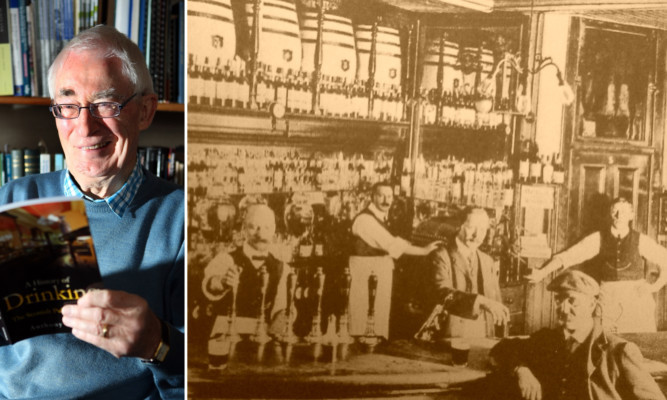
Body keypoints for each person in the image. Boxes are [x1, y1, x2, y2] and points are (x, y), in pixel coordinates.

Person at [0, 25, 184, 399]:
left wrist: (157, 344)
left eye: (106, 104)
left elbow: (216, 379)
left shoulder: (184, 222)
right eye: (68, 105)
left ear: (146, 111)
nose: (84, 126)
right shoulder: (12, 200)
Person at [488, 270, 665, 400]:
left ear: (591, 305)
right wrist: (522, 370)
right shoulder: (547, 339)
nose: (563, 309)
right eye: (559, 300)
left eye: (572, 301)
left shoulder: (619, 351)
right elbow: (503, 348)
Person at [526, 197, 667, 333]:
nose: (618, 215)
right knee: (605, 342)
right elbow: (568, 256)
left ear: (631, 215)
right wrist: (542, 273)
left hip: (636, 301)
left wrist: (654, 287)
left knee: (639, 345)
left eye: (623, 212)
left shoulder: (641, 240)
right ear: (610, 214)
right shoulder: (598, 238)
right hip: (608, 298)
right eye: (615, 211)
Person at [348, 181, 441, 339]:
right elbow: (391, 244)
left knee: (376, 318)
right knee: (363, 317)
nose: (386, 200)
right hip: (365, 275)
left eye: (389, 196)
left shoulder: (381, 217)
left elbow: (393, 241)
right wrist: (424, 251)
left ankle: (372, 350)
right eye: (381, 195)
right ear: (372, 197)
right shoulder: (365, 220)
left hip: (376, 273)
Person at [202, 204, 287, 367]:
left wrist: (276, 333)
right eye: (254, 227)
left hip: (262, 339)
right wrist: (221, 282)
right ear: (244, 229)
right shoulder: (226, 259)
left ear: (274, 230)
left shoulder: (280, 267)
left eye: (267, 227)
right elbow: (209, 285)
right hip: (224, 340)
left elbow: (280, 309)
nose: (260, 233)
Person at [428, 207, 509, 338]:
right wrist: (481, 301)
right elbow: (442, 294)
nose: (477, 235)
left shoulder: (487, 261)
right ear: (459, 226)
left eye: (482, 230)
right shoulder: (441, 255)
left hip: (482, 334)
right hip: (451, 335)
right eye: (471, 227)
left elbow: (496, 303)